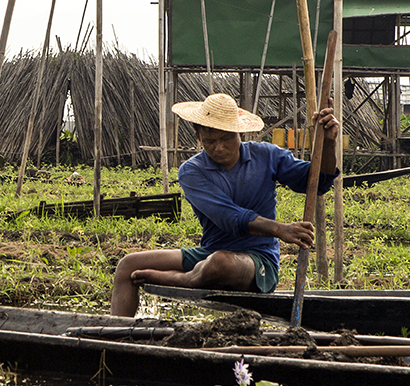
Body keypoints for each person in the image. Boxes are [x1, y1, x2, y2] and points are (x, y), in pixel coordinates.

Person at [111, 92, 338, 316]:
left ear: (239, 132)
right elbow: (229, 217)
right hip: (209, 254)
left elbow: (317, 181)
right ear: (199, 137)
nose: (219, 148)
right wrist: (279, 229)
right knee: (127, 265)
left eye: (226, 139)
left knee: (222, 264)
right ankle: (114, 339)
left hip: (256, 259)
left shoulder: (267, 156)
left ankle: (184, 280)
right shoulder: (192, 171)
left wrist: (328, 143)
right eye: (210, 141)